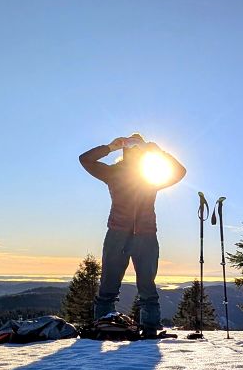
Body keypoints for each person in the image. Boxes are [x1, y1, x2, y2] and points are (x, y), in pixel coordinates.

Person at [79, 134, 187, 337]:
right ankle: (104, 327)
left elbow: (180, 172)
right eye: (132, 147)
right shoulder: (114, 172)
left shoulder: (150, 176)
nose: (136, 151)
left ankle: (150, 330)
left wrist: (155, 150)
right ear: (125, 150)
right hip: (120, 235)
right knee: (109, 287)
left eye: (139, 147)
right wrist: (110, 147)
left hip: (144, 236)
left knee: (146, 287)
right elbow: (85, 159)